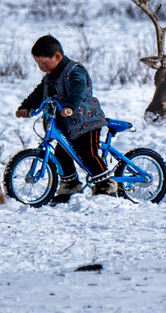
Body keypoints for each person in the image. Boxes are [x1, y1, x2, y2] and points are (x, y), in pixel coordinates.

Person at [16, 35, 118, 201]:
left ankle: (105, 184)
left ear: (57, 56)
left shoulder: (74, 70)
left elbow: (78, 89)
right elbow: (38, 93)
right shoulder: (50, 76)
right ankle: (69, 187)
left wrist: (69, 106)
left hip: (87, 122)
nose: (41, 67)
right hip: (67, 125)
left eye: (43, 62)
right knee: (62, 155)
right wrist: (26, 106)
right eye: (38, 64)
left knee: (89, 154)